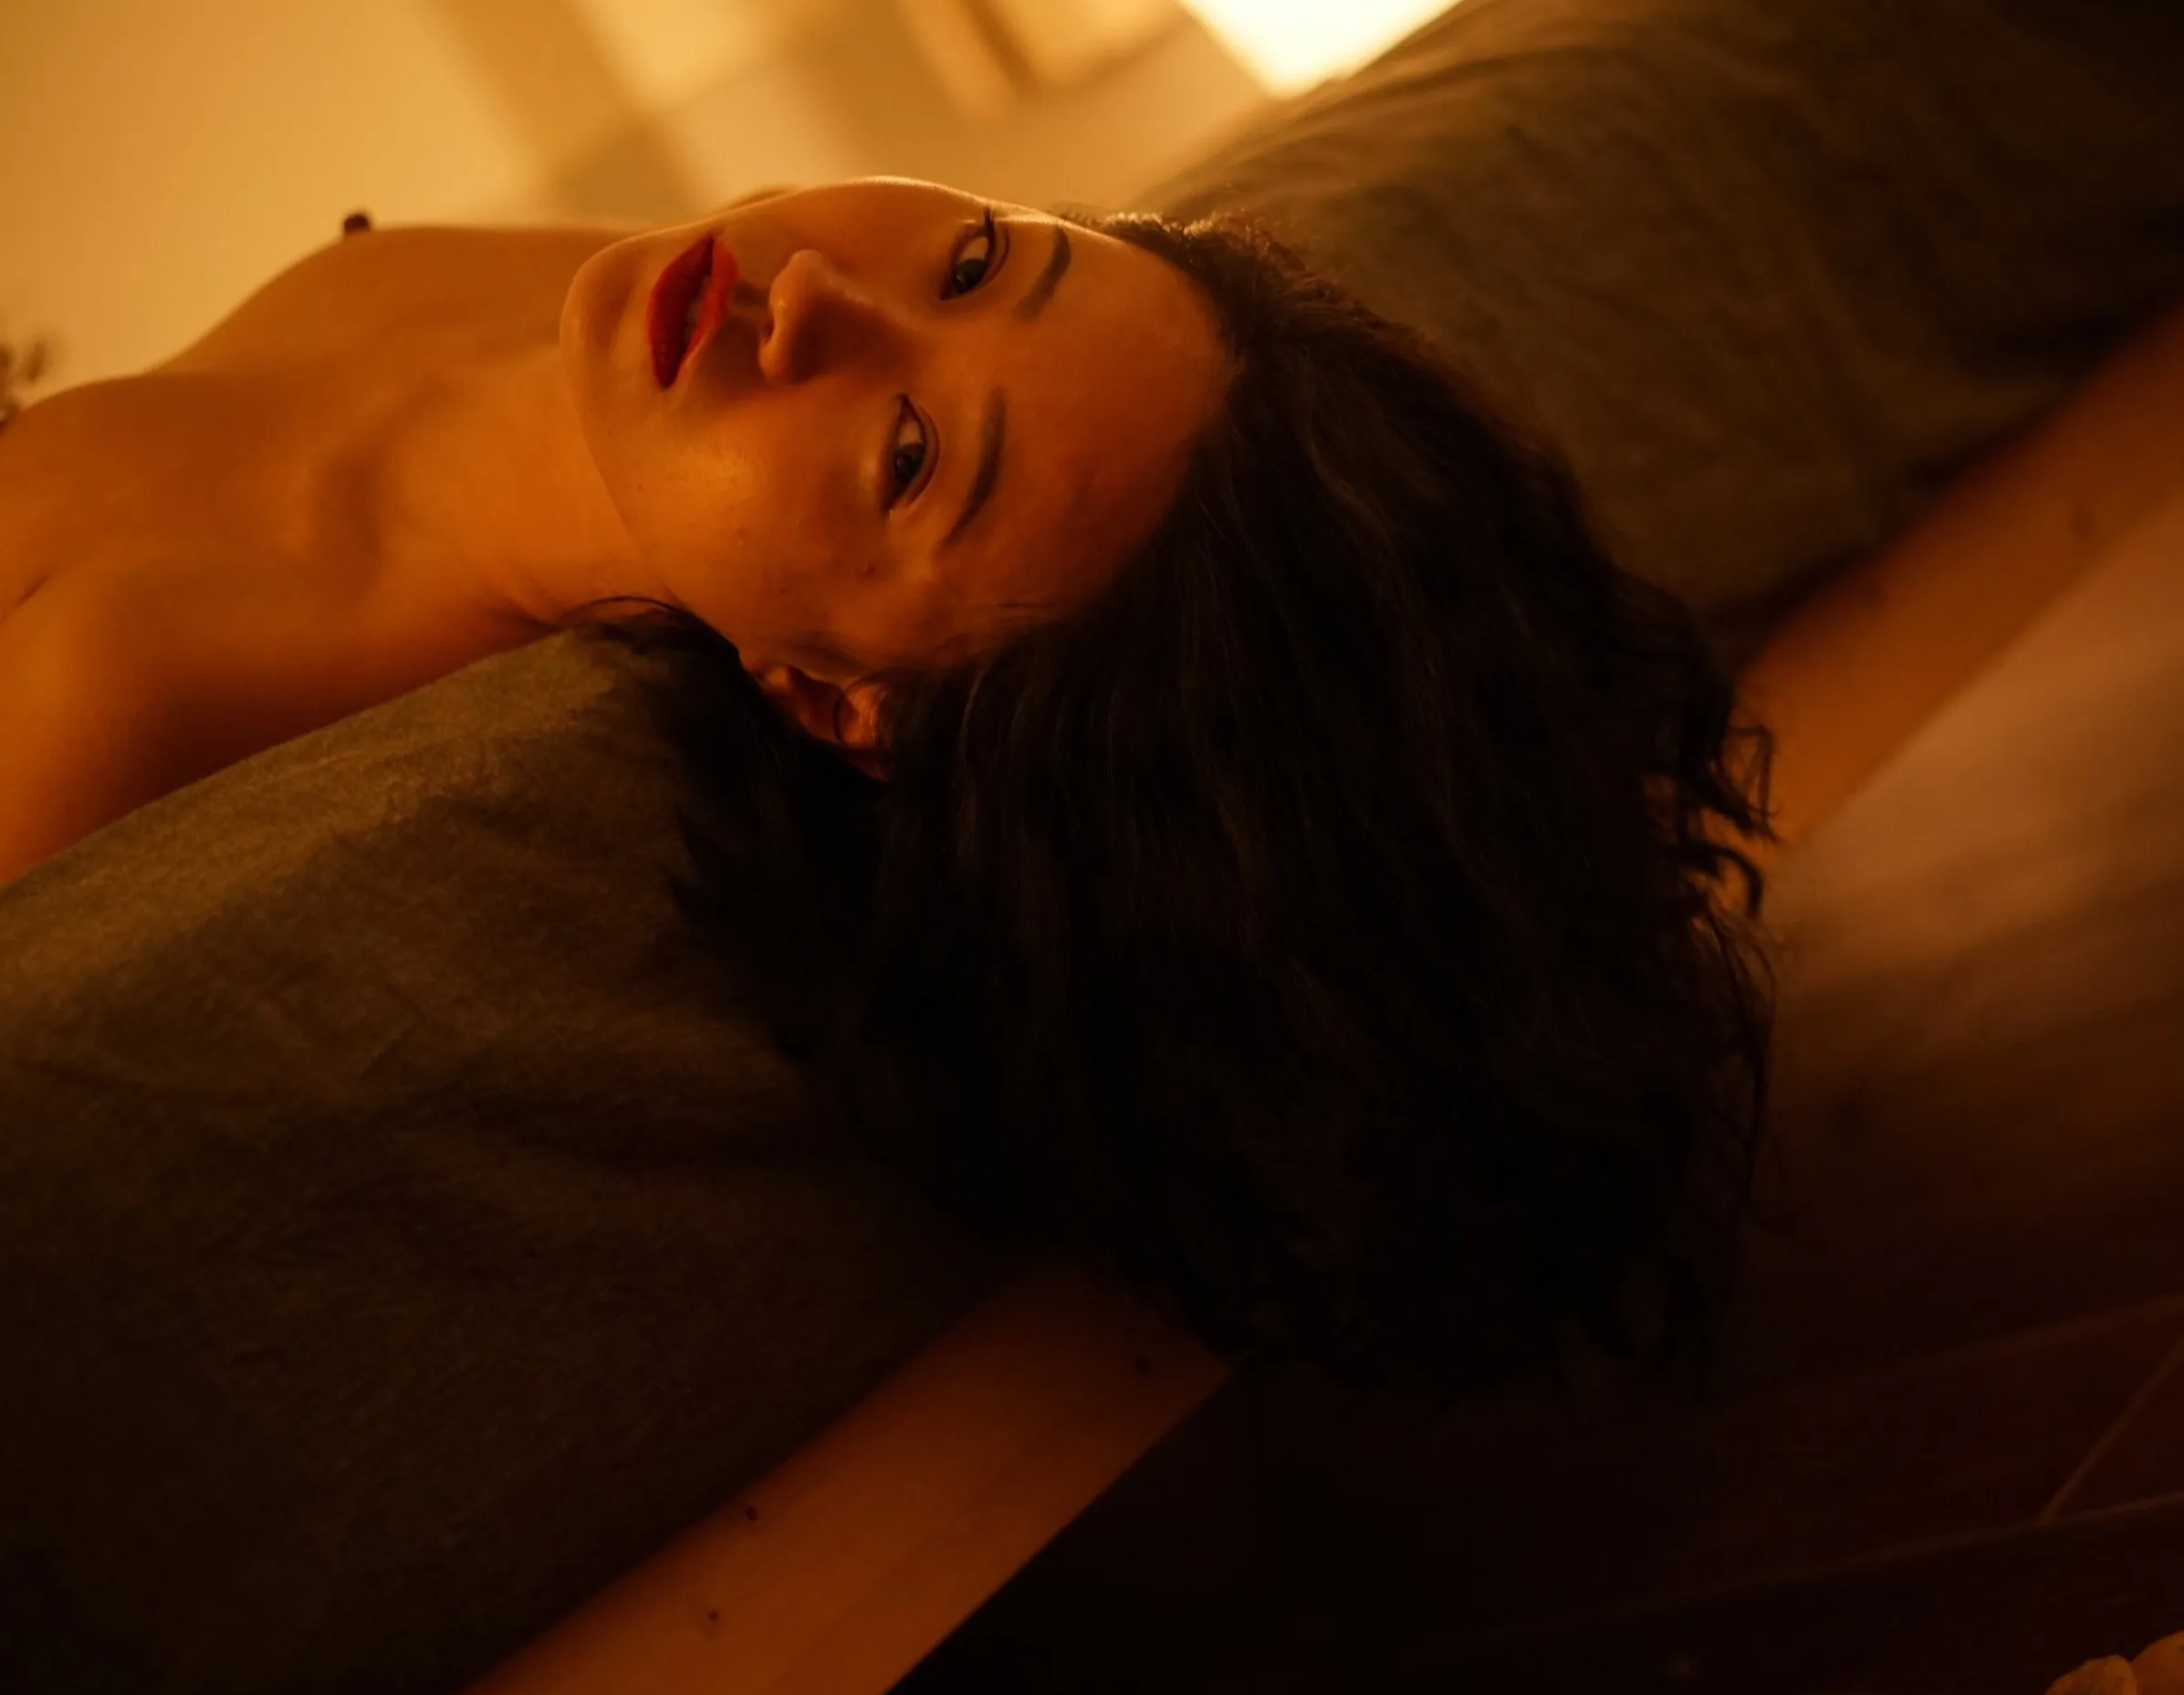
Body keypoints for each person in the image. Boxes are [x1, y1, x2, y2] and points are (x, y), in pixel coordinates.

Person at [0, 179, 1779, 1398]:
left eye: (909, 457)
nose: (812, 298)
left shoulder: (134, 692)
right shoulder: (654, 305)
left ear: (841, 707)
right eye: (981, 260)